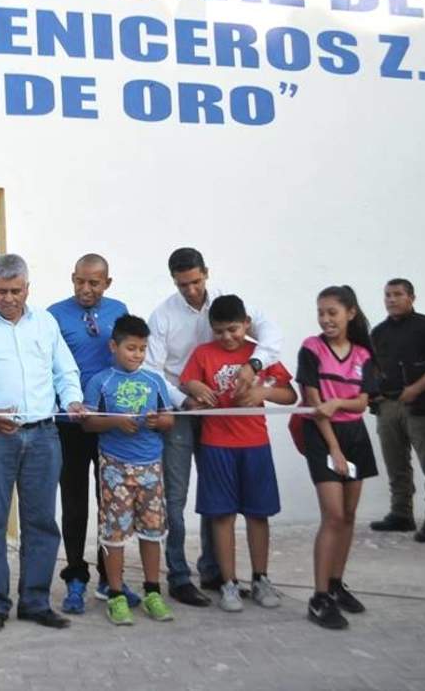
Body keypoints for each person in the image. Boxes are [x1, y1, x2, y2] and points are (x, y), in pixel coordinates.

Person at [0, 253, 83, 633]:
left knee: (41, 522)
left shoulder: (45, 323)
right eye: (1, 291)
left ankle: (35, 602)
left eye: (16, 291)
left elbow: (65, 370)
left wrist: (72, 399)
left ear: (28, 288)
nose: (9, 298)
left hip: (43, 435)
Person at [146, 247, 283, 607]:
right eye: (182, 285)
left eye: (195, 281)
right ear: (173, 281)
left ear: (206, 272)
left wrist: (254, 364)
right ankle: (178, 575)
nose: (191, 290)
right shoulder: (162, 316)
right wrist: (184, 400)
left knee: (216, 497)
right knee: (175, 497)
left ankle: (215, 571)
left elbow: (270, 333)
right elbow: (153, 370)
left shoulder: (229, 301)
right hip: (182, 410)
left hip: (222, 418)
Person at [180, 295, 296, 612]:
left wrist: (263, 392)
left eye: (233, 329)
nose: (227, 337)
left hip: (255, 444)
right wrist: (194, 392)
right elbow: (187, 383)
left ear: (246, 323)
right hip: (216, 446)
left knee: (258, 514)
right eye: (219, 331)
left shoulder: (260, 354)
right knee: (221, 516)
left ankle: (261, 578)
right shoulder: (203, 353)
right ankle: (228, 583)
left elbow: (290, 395)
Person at [78, 315, 176, 626]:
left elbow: (170, 419)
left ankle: (152, 591)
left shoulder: (154, 381)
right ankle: (116, 594)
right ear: (113, 346)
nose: (137, 354)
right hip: (114, 467)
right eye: (131, 348)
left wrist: (157, 422)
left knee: (152, 531)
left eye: (142, 349)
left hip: (151, 466)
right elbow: (88, 423)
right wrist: (116, 421)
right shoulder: (101, 381)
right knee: (114, 534)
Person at [47, 252, 131, 611]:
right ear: (72, 278)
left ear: (107, 283)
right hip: (70, 425)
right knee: (74, 502)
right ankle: (75, 577)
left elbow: (128, 357)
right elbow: (48, 366)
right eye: (80, 281)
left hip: (109, 424)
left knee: (110, 503)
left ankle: (109, 579)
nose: (86, 288)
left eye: (94, 283)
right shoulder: (54, 315)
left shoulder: (119, 310)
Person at [297, 285, 380, 630]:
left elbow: (362, 403)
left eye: (332, 312)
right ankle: (319, 598)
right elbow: (315, 405)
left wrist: (339, 403)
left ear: (351, 313)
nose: (325, 319)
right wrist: (334, 449)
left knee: (348, 515)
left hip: (355, 436)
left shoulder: (363, 354)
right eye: (321, 312)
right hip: (323, 436)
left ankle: (335, 584)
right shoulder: (311, 348)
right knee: (332, 515)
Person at [369, 278, 425, 542]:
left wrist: (416, 389)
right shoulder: (379, 332)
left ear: (412, 298)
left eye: (397, 294)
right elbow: (372, 368)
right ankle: (401, 514)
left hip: (422, 405)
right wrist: (374, 394)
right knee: (396, 464)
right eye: (387, 295)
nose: (391, 299)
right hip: (388, 406)